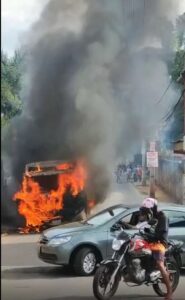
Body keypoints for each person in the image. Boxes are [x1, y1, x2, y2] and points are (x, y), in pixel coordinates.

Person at [140, 198, 172, 300]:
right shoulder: (152, 216)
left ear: (153, 209)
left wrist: (149, 234)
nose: (146, 213)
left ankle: (170, 293)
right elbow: (144, 225)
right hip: (151, 241)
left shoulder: (163, 217)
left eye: (147, 211)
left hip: (160, 243)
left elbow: (160, 234)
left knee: (159, 264)